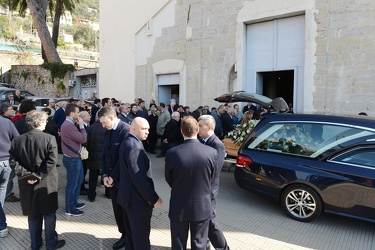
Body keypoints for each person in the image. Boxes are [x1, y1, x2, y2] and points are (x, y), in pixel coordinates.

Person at [9, 111, 65, 250]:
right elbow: (52, 161)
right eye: (45, 121)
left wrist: (29, 176)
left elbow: (13, 162)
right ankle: (51, 243)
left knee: (33, 215)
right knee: (49, 213)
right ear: (39, 122)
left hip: (27, 183)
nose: (46, 123)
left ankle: (35, 244)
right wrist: (38, 176)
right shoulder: (49, 138)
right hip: (47, 183)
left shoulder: (17, 140)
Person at [165, 116, 218, 250]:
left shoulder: (172, 153)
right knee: (200, 244)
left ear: (182, 131)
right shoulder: (211, 152)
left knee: (178, 244)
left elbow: (169, 178)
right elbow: (213, 177)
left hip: (179, 205)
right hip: (202, 205)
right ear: (197, 130)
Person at [115, 117, 163, 250]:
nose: (147, 132)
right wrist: (153, 198)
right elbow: (139, 178)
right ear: (133, 128)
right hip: (137, 202)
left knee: (132, 236)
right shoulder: (133, 146)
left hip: (129, 199)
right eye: (143, 129)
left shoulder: (129, 142)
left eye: (148, 129)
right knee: (140, 237)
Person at [98, 106, 130, 250]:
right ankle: (123, 233)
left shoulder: (126, 130)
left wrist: (112, 176)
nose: (103, 126)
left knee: (126, 211)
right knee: (117, 210)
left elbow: (123, 159)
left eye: (104, 122)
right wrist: (104, 175)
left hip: (123, 179)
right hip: (111, 179)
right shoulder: (107, 132)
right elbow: (104, 155)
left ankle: (129, 236)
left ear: (111, 117)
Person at [198, 115, 230, 250]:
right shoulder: (200, 140)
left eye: (200, 126)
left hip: (208, 189)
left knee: (210, 220)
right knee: (202, 220)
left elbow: (215, 172)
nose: (197, 128)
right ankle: (205, 245)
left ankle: (223, 247)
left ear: (209, 127)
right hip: (200, 188)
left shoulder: (217, 145)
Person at [7, 99, 36, 203]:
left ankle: (9, 194)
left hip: (16, 152)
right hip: (27, 152)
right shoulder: (30, 122)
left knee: (16, 175)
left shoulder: (17, 121)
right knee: (27, 175)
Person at [60, 104, 87, 216]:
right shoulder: (69, 126)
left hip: (74, 158)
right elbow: (83, 139)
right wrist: (81, 126)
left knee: (78, 181)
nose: (79, 114)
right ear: (72, 114)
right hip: (72, 159)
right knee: (73, 184)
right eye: (77, 112)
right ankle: (70, 209)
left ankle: (74, 203)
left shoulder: (69, 124)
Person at [0, 116, 19, 238]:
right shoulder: (7, 122)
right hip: (5, 161)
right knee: (2, 189)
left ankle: (2, 224)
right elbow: (17, 139)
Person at [86, 114, 106, 202]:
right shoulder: (107, 128)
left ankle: (92, 195)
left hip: (93, 155)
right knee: (106, 174)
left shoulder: (90, 128)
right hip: (105, 156)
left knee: (93, 176)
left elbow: (86, 142)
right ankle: (109, 194)